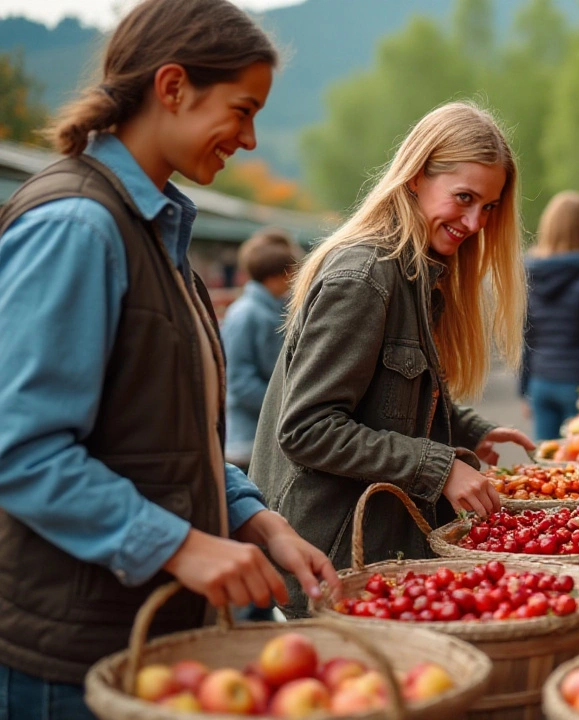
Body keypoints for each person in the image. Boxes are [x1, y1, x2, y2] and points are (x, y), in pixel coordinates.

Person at [0, 1, 338, 714]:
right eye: (242, 110)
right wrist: (183, 546)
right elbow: (20, 450)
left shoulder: (156, 228)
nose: (248, 139)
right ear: (174, 86)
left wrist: (256, 518)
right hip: (71, 652)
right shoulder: (78, 227)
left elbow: (170, 434)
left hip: (145, 634)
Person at [249, 101, 535, 617]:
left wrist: (469, 431)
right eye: (464, 198)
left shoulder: (419, 272)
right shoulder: (363, 278)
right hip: (333, 562)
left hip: (375, 553)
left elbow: (391, 396)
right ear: (415, 177)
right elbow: (307, 428)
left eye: (488, 207)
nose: (475, 223)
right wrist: (438, 467)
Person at [521, 191, 579, 440]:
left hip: (540, 382)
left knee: (547, 463)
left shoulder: (530, 273)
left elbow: (526, 336)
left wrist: (524, 390)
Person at [221, 228, 301, 469]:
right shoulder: (245, 315)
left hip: (270, 433)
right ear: (276, 276)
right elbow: (239, 381)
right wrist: (288, 404)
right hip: (247, 440)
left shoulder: (276, 310)